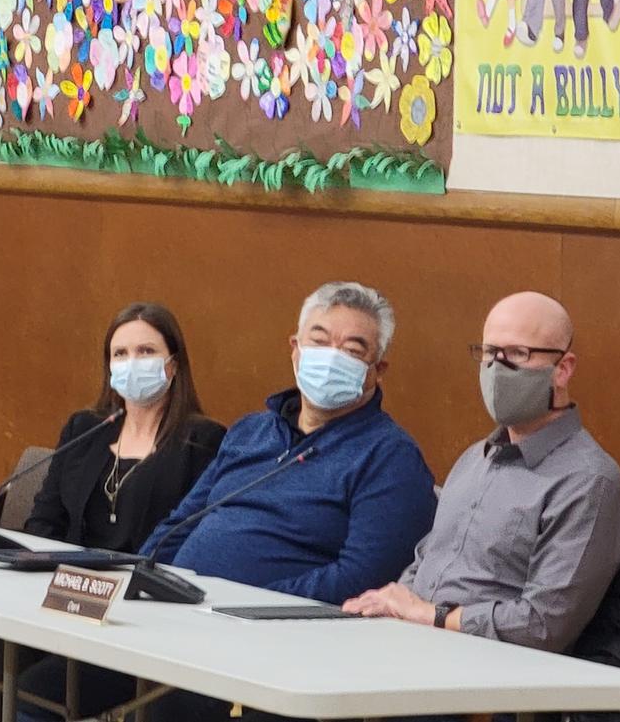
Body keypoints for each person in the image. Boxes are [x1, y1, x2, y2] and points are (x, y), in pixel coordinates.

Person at [28, 282, 438, 721]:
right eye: (319, 341)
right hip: (177, 622)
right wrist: (147, 580)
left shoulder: (390, 456)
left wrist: (239, 604)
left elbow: (362, 578)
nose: (331, 356)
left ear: (379, 368)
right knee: (31, 693)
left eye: (353, 349)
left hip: (276, 651)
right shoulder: (251, 432)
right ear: (296, 349)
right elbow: (182, 521)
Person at [345, 291, 620, 655]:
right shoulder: (474, 459)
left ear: (563, 369)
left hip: (487, 677)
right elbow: (428, 561)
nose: (497, 369)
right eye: (488, 353)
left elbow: (543, 626)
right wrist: (392, 603)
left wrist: (430, 616)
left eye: (518, 354)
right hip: (412, 648)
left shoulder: (589, 482)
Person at [10, 303, 227, 718]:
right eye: (120, 354)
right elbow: (44, 520)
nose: (132, 363)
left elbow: (187, 542)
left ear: (173, 364)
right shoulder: (84, 429)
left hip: (144, 623)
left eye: (146, 352)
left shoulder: (202, 441)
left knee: (30, 695)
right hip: (66, 601)